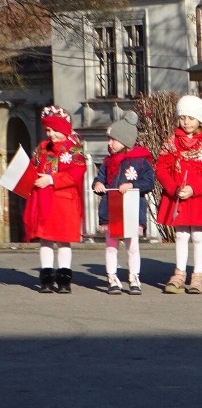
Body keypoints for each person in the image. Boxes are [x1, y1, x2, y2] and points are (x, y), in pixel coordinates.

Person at [156, 95, 202, 294]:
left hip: (199, 197)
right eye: (183, 117)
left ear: (200, 119)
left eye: (191, 118)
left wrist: (194, 188)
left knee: (199, 236)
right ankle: (179, 273)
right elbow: (161, 168)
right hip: (178, 195)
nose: (186, 122)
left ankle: (198, 275)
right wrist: (173, 187)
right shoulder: (172, 141)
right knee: (182, 235)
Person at [24, 106, 86, 293]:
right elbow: (31, 167)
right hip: (44, 202)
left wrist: (51, 179)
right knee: (45, 240)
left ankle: (64, 279)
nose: (49, 134)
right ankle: (46, 278)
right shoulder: (42, 148)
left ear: (63, 128)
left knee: (63, 241)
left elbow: (76, 173)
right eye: (47, 130)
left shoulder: (73, 149)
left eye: (52, 130)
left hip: (64, 202)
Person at [92, 111, 155, 295]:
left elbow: (149, 182)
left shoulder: (141, 161)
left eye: (113, 139)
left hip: (131, 210)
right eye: (109, 139)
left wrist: (132, 184)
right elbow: (100, 178)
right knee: (111, 245)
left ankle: (134, 277)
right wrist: (98, 184)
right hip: (111, 210)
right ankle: (112, 277)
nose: (109, 143)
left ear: (125, 141)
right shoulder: (108, 162)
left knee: (132, 245)